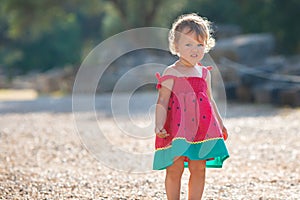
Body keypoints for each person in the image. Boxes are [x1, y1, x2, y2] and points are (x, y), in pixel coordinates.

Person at [153, 13, 229, 199]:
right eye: (188, 44)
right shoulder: (171, 72)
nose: (194, 49)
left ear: (206, 45)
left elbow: (210, 101)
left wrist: (220, 124)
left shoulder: (204, 73)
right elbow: (162, 101)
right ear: (176, 46)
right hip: (176, 128)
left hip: (202, 128)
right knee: (175, 167)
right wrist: (159, 124)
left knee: (199, 167)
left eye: (199, 44)